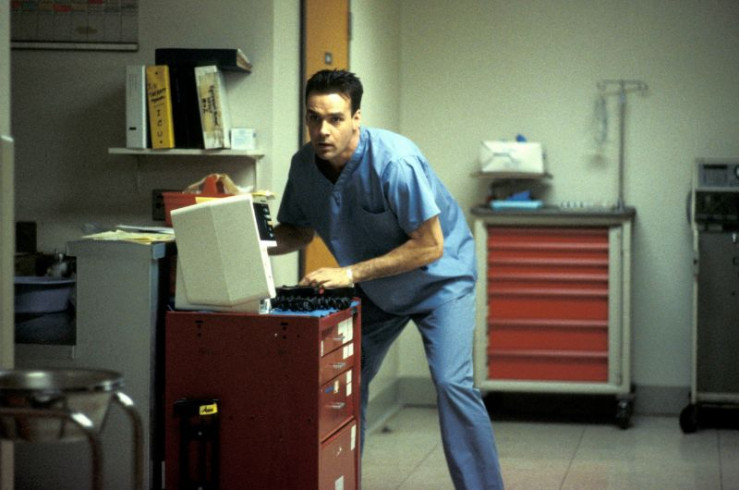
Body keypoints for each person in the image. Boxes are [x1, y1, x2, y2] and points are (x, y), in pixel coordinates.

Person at [269, 69, 504, 489]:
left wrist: (349, 273)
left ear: (356, 118)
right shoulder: (303, 166)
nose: (322, 131)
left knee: (452, 383)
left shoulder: (395, 161)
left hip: (440, 282)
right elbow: (297, 232)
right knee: (340, 380)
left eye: (335, 119)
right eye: (313, 118)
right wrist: (242, 232)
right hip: (379, 289)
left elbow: (429, 246)